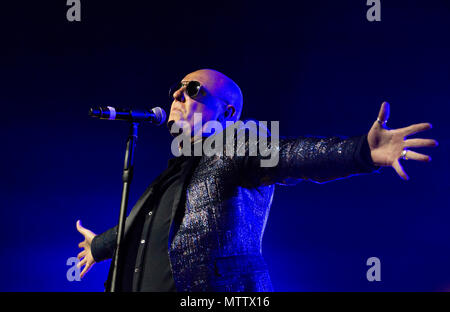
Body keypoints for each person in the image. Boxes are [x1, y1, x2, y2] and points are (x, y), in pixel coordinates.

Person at [76, 69, 437, 292]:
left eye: (193, 89)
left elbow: (293, 155)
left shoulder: (239, 147)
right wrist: (101, 245)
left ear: (228, 112)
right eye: (177, 88)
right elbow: (149, 225)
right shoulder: (172, 173)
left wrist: (361, 151)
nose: (177, 94)